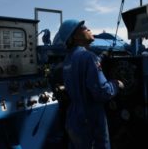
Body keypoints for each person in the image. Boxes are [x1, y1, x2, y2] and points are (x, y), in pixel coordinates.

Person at [53, 19, 124, 149]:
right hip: (91, 119)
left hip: (74, 117)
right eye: (84, 28)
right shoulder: (89, 58)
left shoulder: (68, 60)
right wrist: (116, 84)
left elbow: (84, 66)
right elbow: (102, 92)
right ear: (75, 36)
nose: (89, 29)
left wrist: (102, 56)